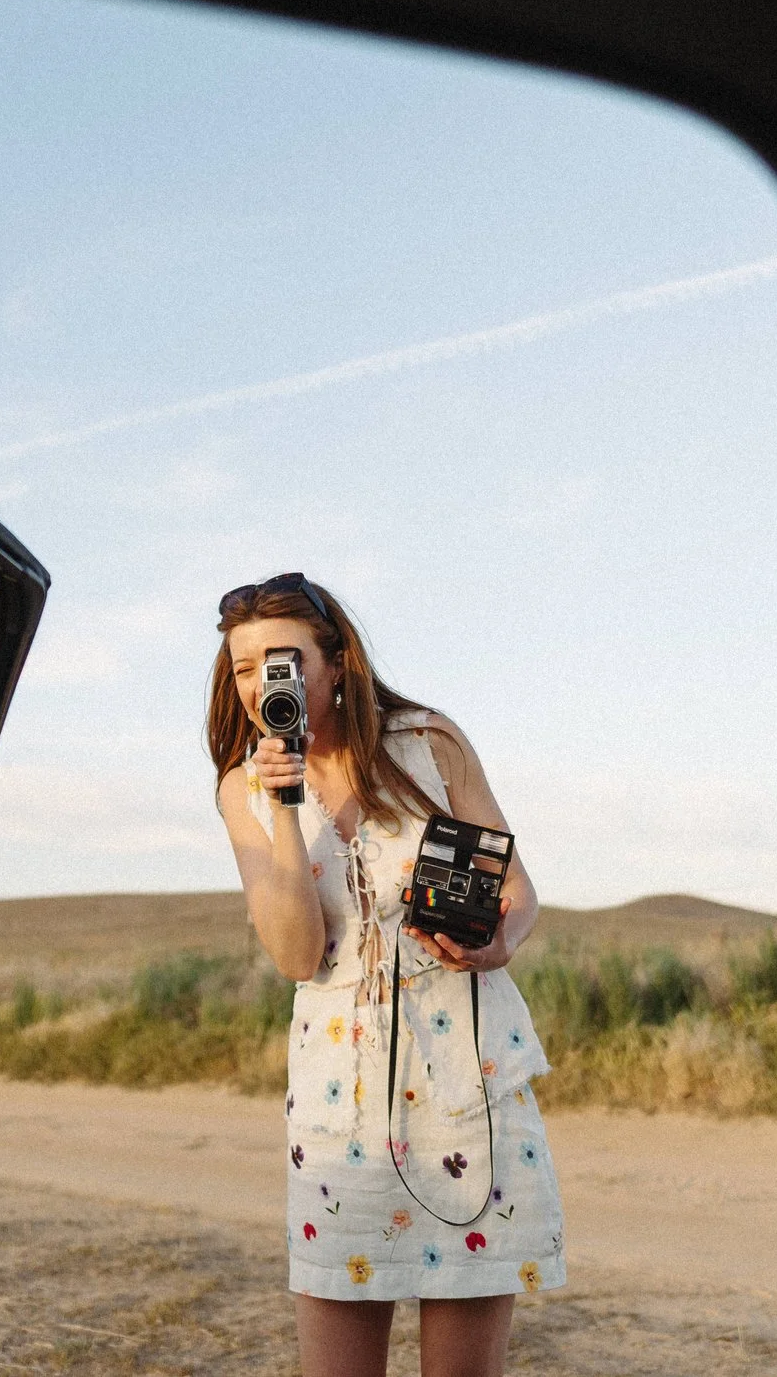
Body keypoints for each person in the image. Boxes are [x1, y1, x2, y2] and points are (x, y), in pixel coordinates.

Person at [210, 572, 565, 1377]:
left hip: (467, 1093)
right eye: (244, 667)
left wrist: (499, 939)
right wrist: (283, 804)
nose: (264, 683)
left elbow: (516, 888)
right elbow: (297, 954)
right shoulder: (242, 788)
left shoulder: (430, 744)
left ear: (337, 660)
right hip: (340, 1115)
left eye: (284, 659)